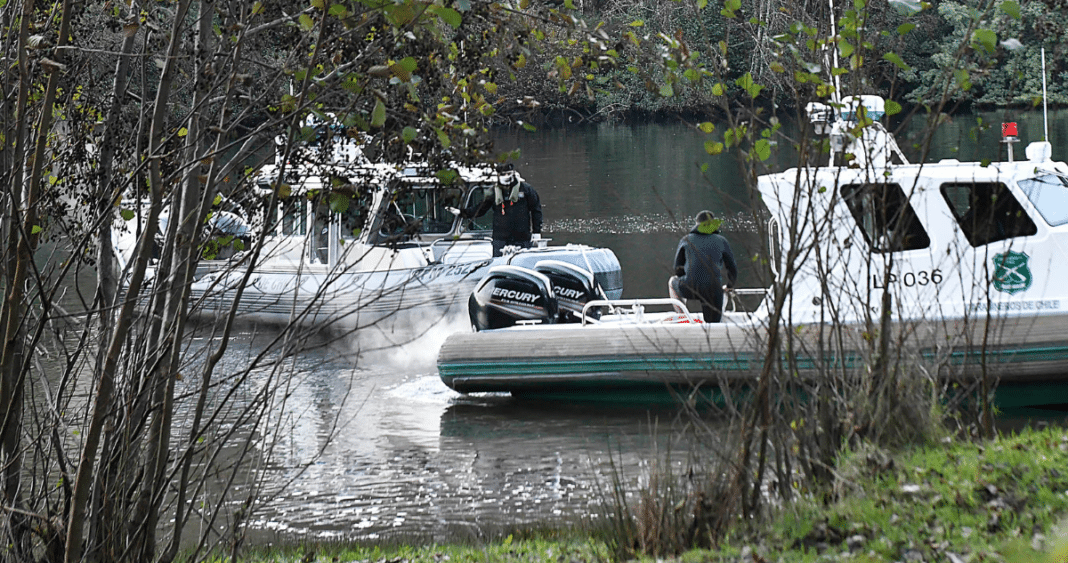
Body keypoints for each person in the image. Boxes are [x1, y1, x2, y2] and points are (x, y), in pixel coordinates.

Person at [668, 210, 738, 323]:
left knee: (672, 282)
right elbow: (732, 269)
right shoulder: (722, 241)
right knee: (713, 324)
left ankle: (683, 318)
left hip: (690, 287)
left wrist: (688, 277)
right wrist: (729, 285)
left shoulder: (686, 240)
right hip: (713, 290)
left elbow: (677, 268)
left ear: (697, 225)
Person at [465, 164, 543, 257]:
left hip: (522, 238)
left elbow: (536, 210)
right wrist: (462, 213)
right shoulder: (493, 192)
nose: (506, 177)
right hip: (500, 239)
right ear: (498, 175)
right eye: (503, 174)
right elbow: (480, 210)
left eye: (509, 174)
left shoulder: (526, 190)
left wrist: (536, 232)